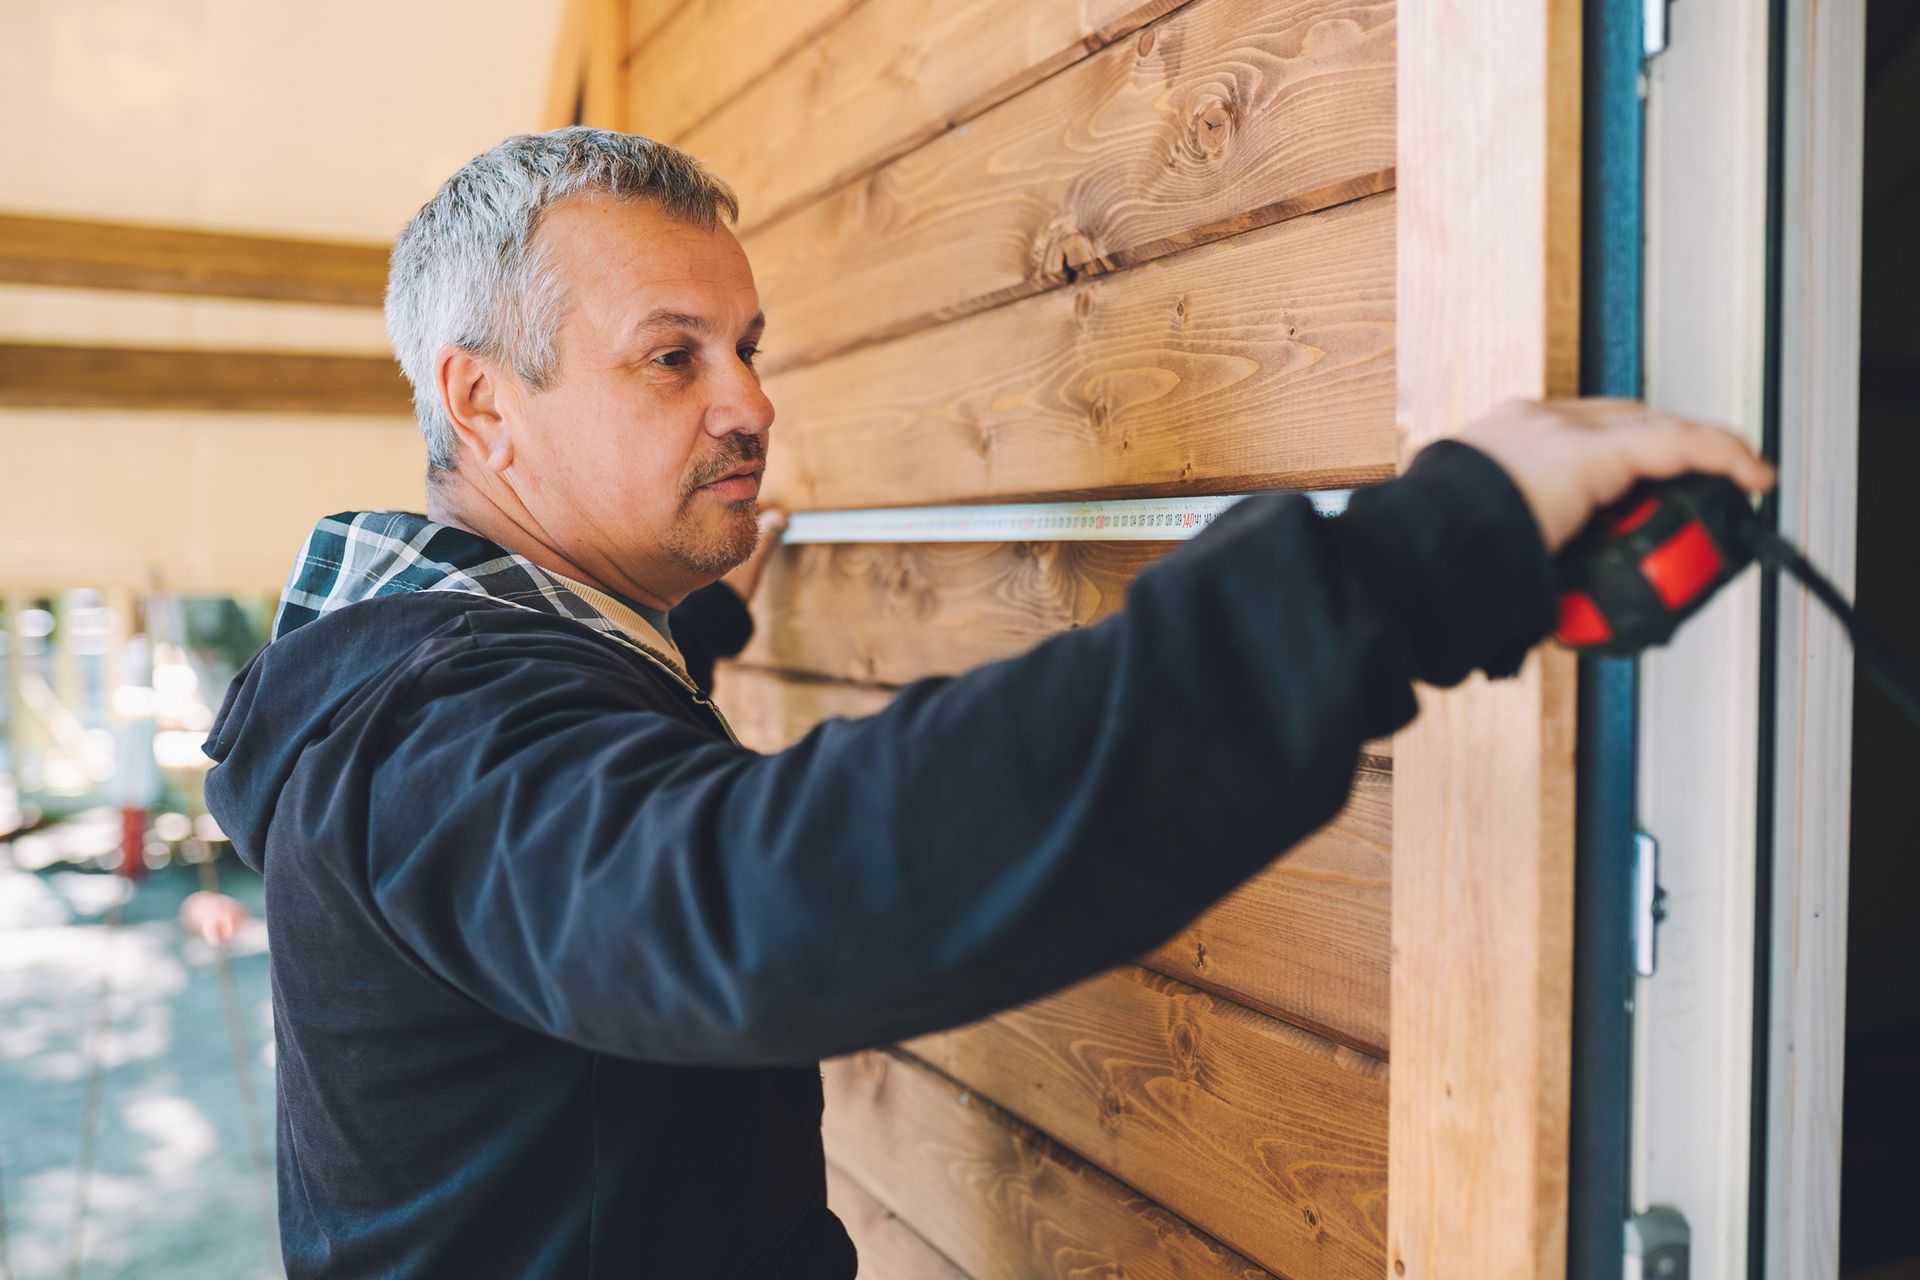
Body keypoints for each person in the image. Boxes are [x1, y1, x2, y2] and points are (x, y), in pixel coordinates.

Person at [201, 128, 1774, 1279]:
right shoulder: (428, 734)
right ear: (482, 403)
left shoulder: (439, 660)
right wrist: (1420, 566)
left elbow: (595, 752)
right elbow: (747, 902)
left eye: (745, 349)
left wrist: (710, 603)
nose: (750, 402)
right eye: (669, 360)